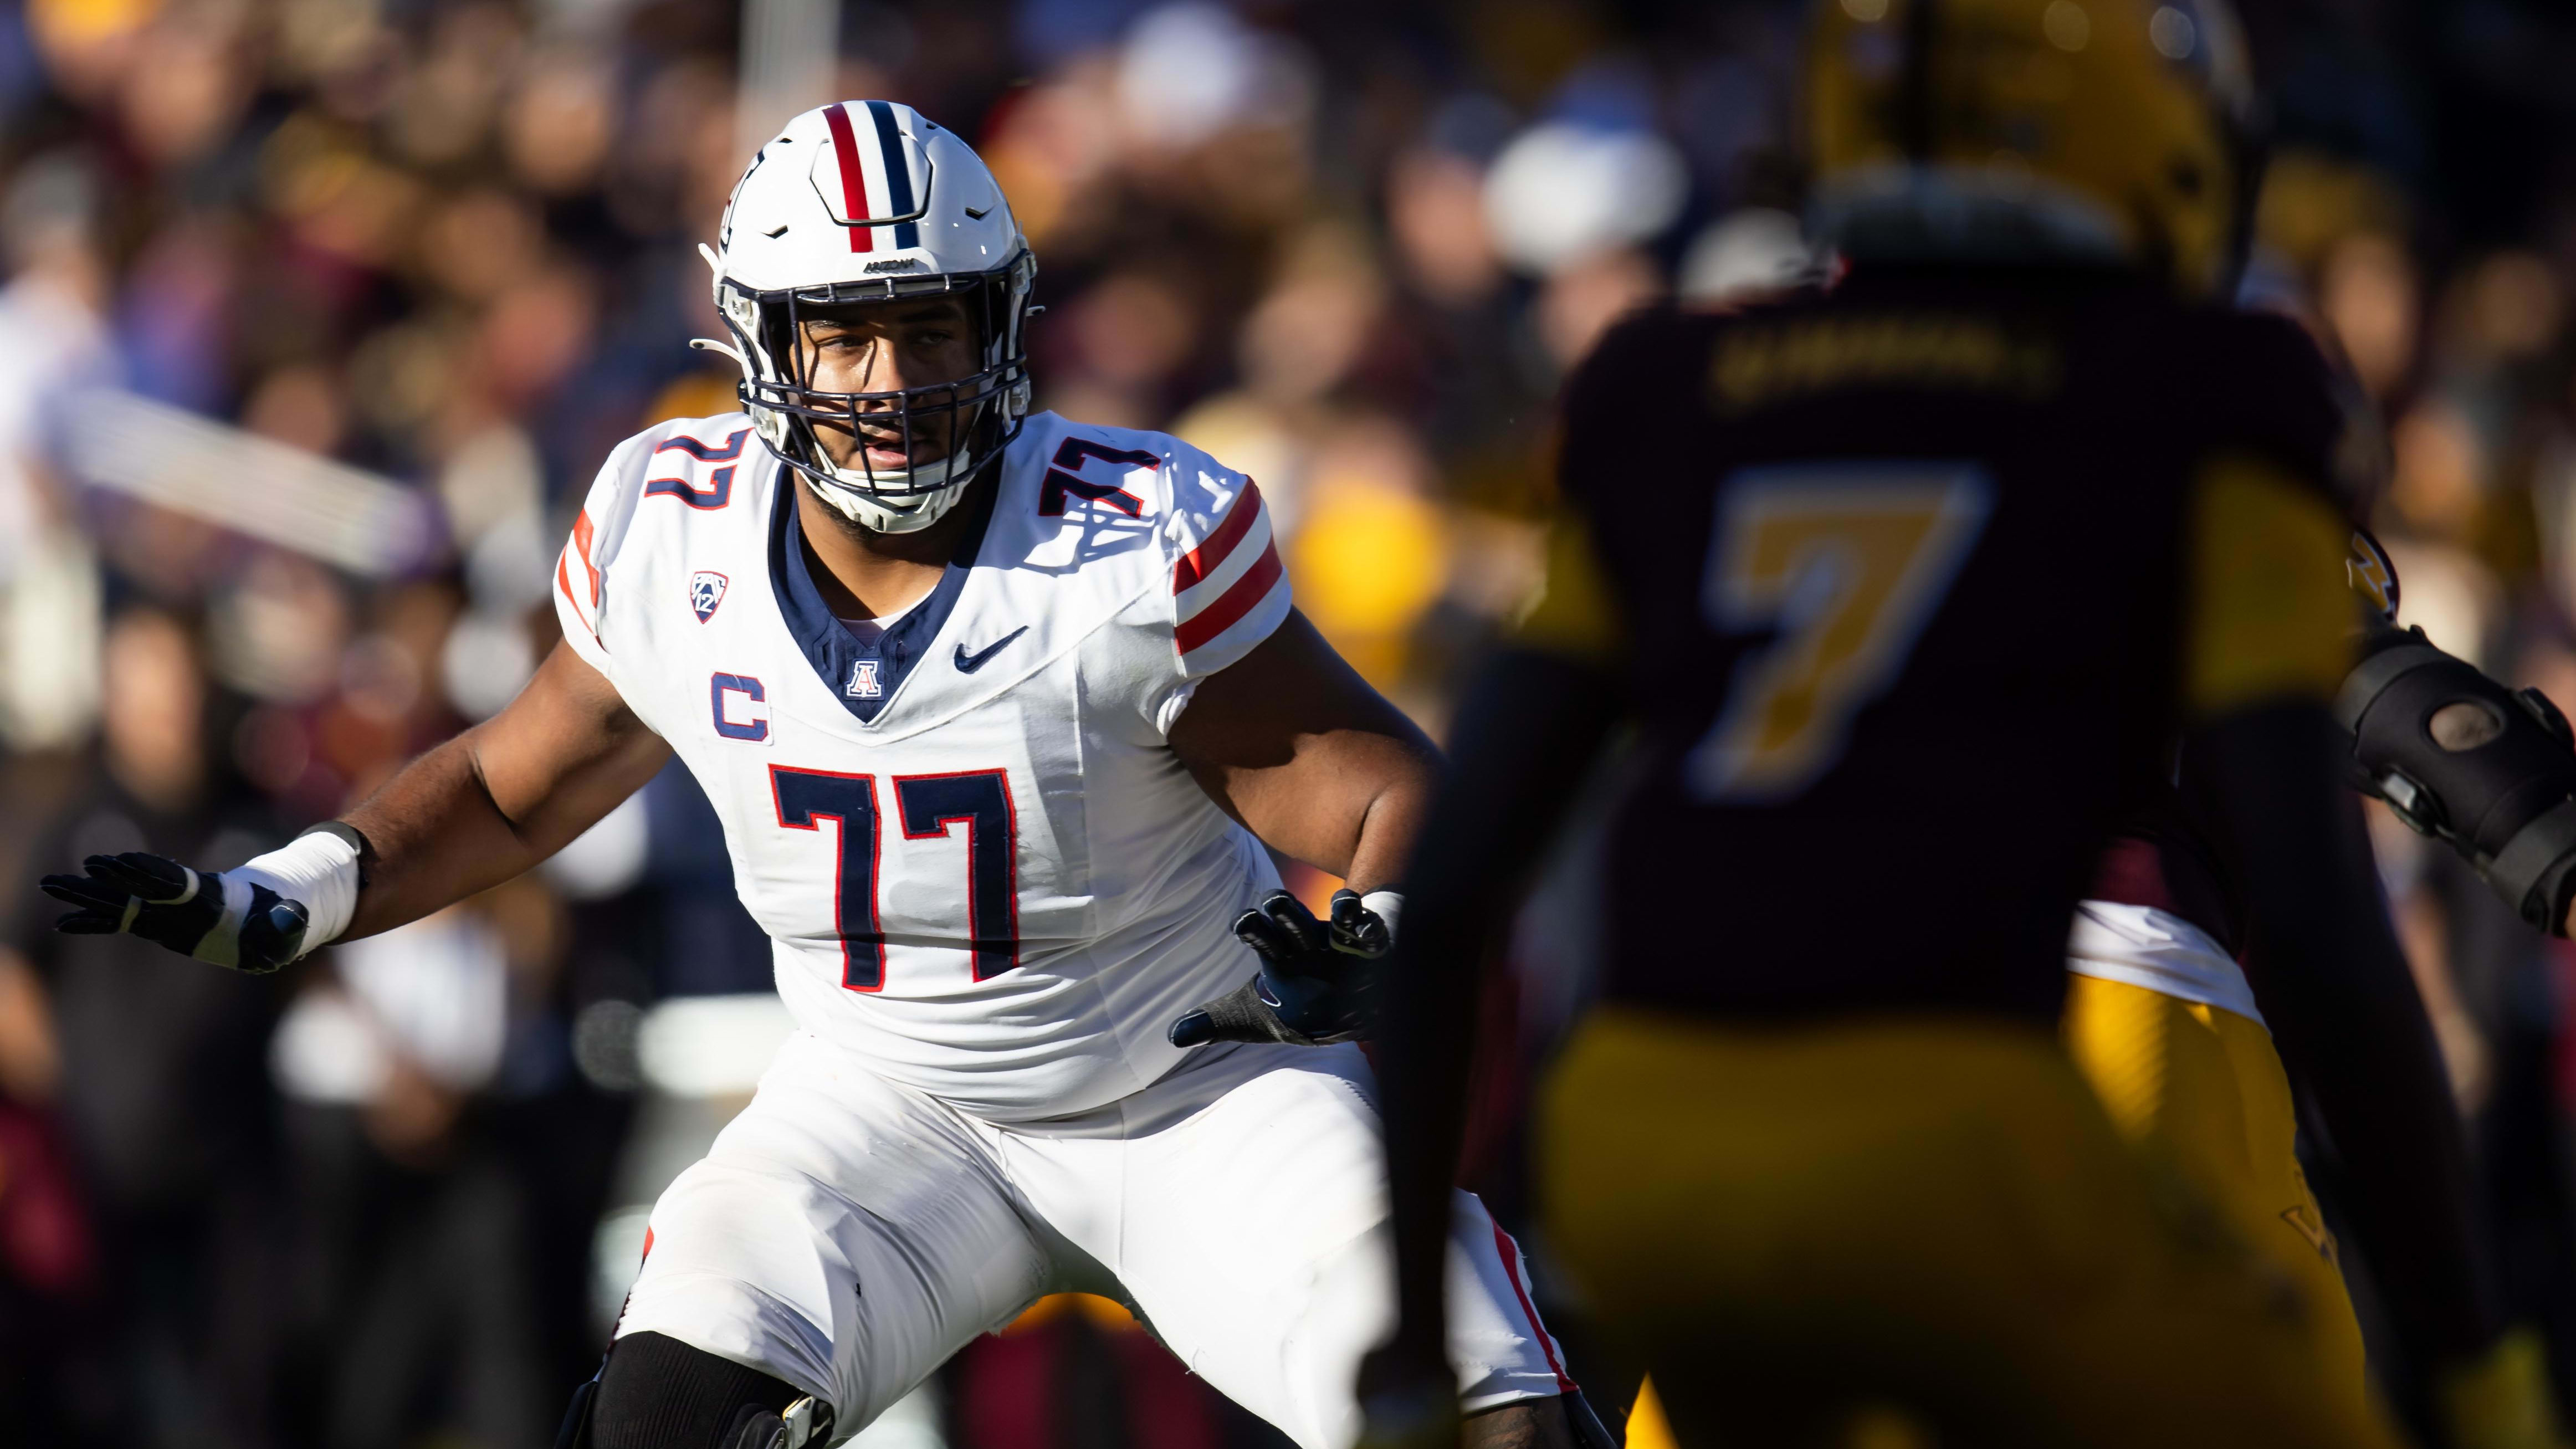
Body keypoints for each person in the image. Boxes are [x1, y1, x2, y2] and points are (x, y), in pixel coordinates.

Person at [43, 103, 1579, 1449]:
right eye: (843, 329)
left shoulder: (1125, 542)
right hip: (889, 1102)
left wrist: (1368, 923)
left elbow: (1379, 790)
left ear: (1002, 327)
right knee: (661, 1410)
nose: (892, 375)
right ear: (759, 343)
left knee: (1481, 1407)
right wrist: (288, 897)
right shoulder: (671, 527)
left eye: (931, 326)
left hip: (1196, 1087)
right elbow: (516, 786)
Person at [1359, 1, 2479, 1443]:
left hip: (1657, 1143)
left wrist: (1404, 1344)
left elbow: (1454, 886)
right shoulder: (2200, 388)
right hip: (2026, 1073)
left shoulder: (1666, 384)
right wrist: (2475, 1359)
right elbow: (2332, 919)